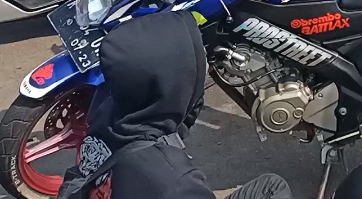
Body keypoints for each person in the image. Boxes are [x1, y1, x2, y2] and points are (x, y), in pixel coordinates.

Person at [57, 11, 293, 199]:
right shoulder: (175, 181)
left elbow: (76, 178)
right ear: (172, 82)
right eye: (198, 59)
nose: (206, 61)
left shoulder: (109, 107)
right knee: (273, 189)